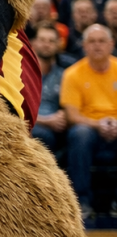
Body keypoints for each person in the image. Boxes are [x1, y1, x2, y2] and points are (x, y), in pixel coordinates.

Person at [61, 24, 117, 218]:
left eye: (102, 41)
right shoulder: (73, 74)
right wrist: (99, 123)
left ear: (111, 44)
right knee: (79, 134)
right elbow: (72, 116)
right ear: (84, 46)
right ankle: (81, 202)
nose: (97, 46)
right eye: (92, 41)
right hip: (89, 126)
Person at [30, 23, 68, 158]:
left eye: (51, 41)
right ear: (33, 43)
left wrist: (63, 116)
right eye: (42, 40)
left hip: (55, 128)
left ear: (58, 44)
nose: (46, 45)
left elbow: (69, 106)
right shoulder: (22, 73)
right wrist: (46, 121)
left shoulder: (65, 75)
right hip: (29, 123)